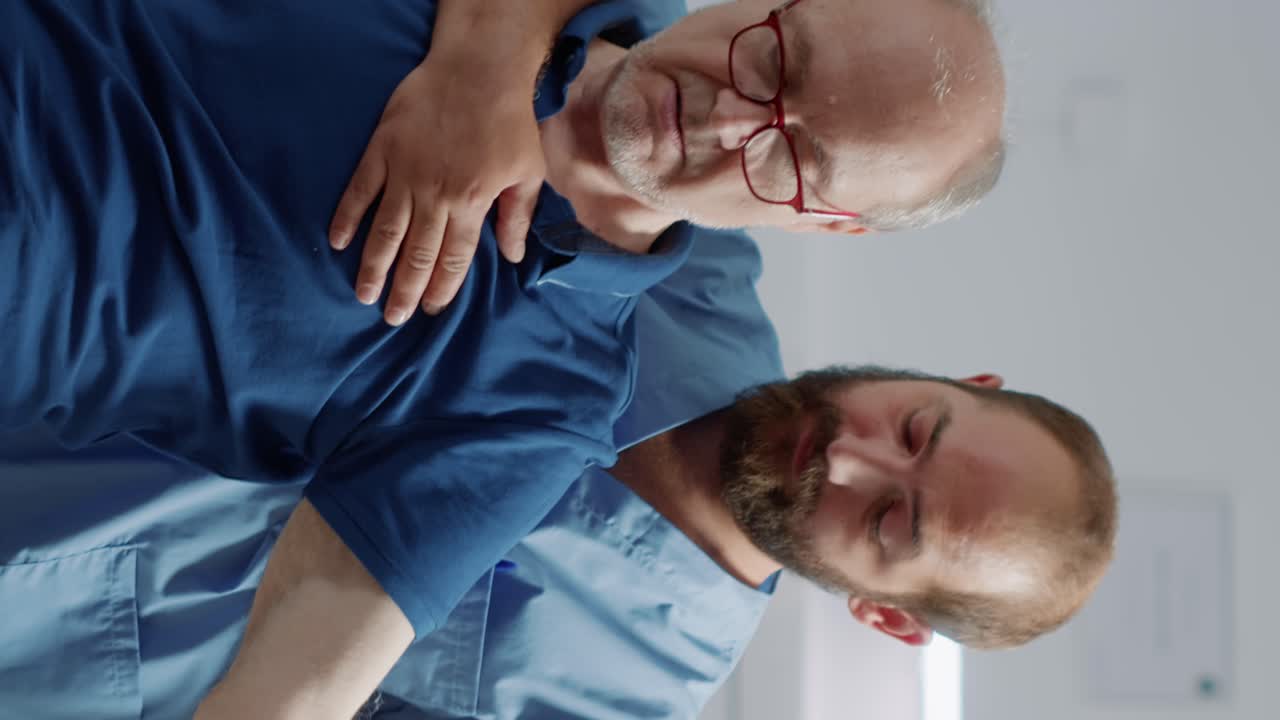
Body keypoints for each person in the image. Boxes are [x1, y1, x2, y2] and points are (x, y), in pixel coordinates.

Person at [0, 0, 1006, 716]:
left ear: (826, 224)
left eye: (789, 154)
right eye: (777, 60)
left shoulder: (542, 406)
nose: (728, 116)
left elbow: (296, 689)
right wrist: (485, 56)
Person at [0, 227, 1117, 718]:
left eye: (888, 520)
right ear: (958, 379)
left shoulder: (613, 697)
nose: (848, 456)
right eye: (916, 427)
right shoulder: (687, 248)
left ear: (886, 619)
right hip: (58, 315)